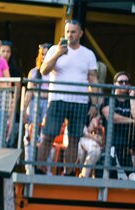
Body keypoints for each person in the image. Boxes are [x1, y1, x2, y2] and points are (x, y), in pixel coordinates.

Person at [38, 20, 99, 172]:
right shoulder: (54, 49)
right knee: (48, 136)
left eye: (73, 32)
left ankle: (69, 173)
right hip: (58, 99)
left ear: (80, 33)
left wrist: (94, 104)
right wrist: (58, 53)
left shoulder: (88, 54)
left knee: (74, 139)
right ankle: (38, 169)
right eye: (67, 32)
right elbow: (43, 70)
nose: (69, 35)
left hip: (80, 101)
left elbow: (93, 80)